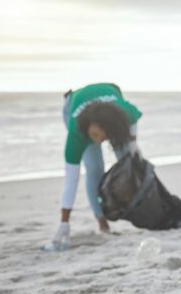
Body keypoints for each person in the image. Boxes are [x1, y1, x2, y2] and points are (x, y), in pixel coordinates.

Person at [48, 83, 141, 250]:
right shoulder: (76, 134)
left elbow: (134, 117)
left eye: (102, 136)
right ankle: (103, 224)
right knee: (94, 169)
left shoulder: (123, 113)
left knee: (127, 160)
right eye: (95, 135)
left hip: (111, 109)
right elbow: (71, 180)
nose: (98, 141)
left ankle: (137, 207)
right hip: (73, 106)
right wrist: (64, 222)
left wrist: (133, 144)